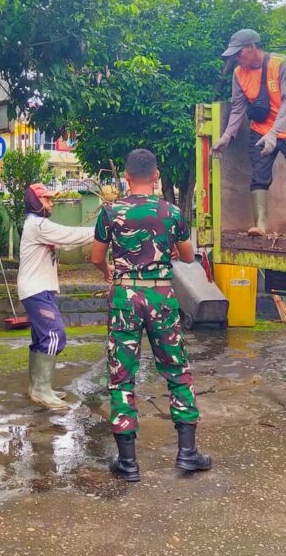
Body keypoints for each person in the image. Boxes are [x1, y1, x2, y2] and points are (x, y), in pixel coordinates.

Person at [91, 149, 212, 483]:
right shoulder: (171, 212)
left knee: (121, 375)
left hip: (125, 296)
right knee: (176, 369)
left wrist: (110, 272)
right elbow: (187, 256)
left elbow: (96, 256)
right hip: (161, 295)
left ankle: (128, 463)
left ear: (126, 177)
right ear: (156, 175)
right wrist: (171, 248)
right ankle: (187, 454)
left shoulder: (110, 211)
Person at [211, 28, 286, 237]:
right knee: (259, 177)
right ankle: (260, 224)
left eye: (238, 54)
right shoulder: (239, 74)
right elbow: (238, 108)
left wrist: (274, 132)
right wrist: (227, 136)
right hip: (260, 131)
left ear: (252, 47)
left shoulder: (281, 64)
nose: (236, 59)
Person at [17, 182, 94, 409]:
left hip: (41, 288)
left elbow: (66, 243)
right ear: (35, 202)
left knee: (42, 338)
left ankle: (38, 387)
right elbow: (69, 235)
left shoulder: (40, 225)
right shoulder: (37, 225)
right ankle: (41, 389)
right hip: (36, 289)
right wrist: (102, 231)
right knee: (53, 335)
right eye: (46, 199)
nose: (51, 203)